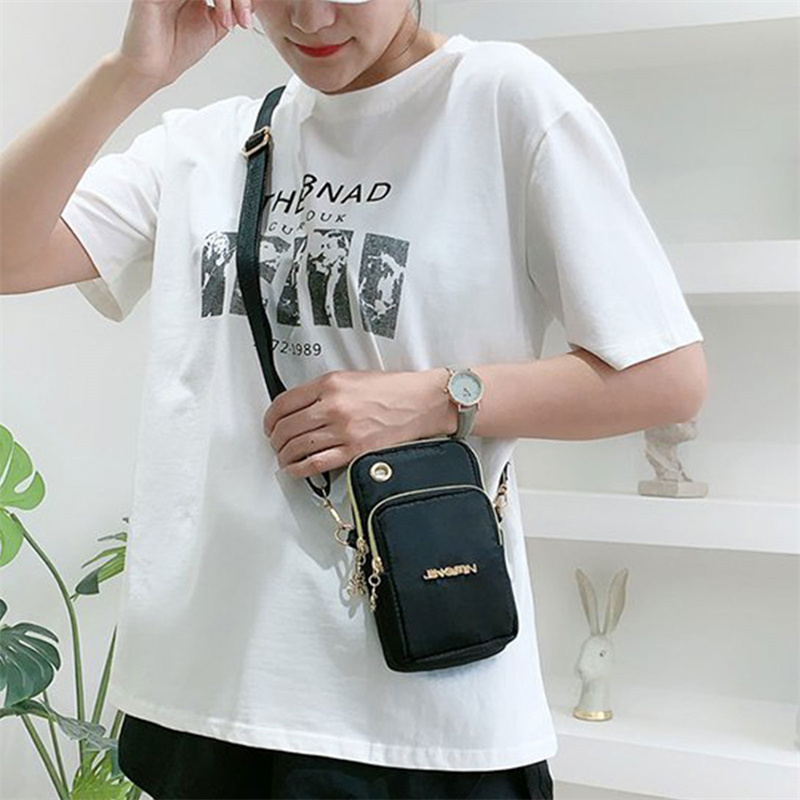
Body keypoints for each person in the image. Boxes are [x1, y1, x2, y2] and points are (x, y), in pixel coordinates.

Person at [0, 0, 707, 798]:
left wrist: (439, 397)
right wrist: (131, 74)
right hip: (206, 699)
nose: (310, 16)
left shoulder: (501, 101)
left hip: (417, 718)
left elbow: (667, 376)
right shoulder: (207, 144)